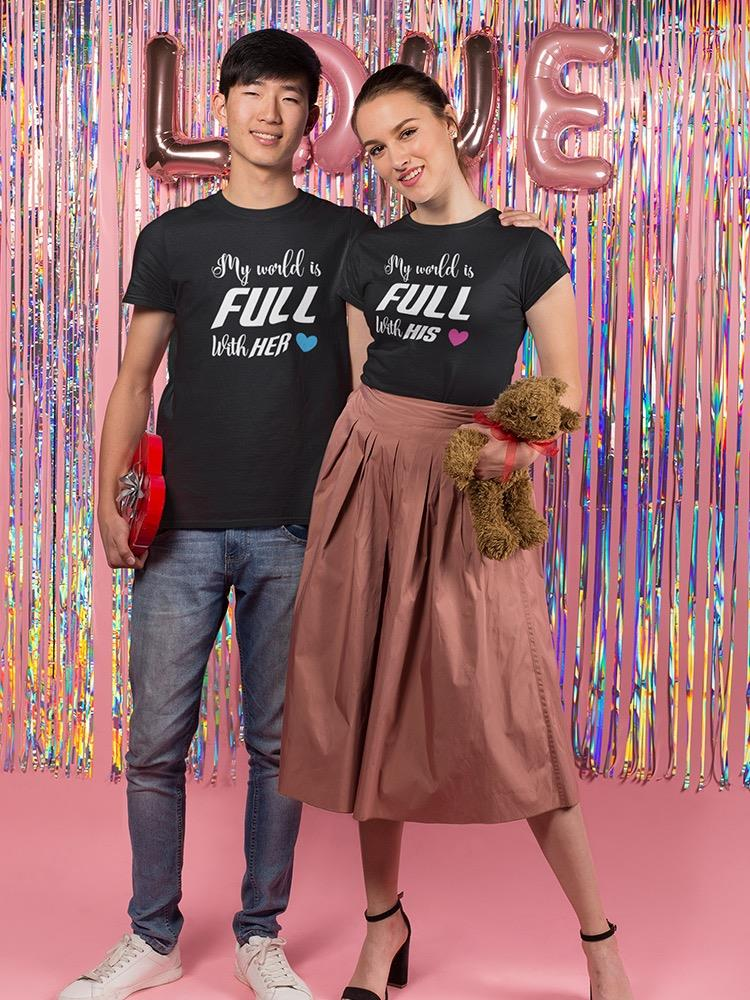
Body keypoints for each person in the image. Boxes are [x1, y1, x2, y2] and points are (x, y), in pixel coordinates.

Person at [59, 31, 545, 1000]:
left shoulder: (349, 239)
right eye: (253, 93)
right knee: (155, 743)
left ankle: (260, 932)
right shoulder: (173, 240)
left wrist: (505, 245)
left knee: (283, 746)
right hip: (179, 527)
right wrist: (109, 494)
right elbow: (134, 377)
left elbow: (407, 331)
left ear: (311, 122)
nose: (270, 113)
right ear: (223, 105)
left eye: (290, 98)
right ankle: (152, 934)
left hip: (303, 528)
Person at [278, 63, 635, 1000]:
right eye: (377, 146)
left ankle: (600, 943)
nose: (396, 156)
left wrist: (510, 449)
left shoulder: (526, 250)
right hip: (369, 480)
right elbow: (366, 377)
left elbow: (566, 390)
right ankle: (381, 928)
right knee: (370, 703)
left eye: (408, 131)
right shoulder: (369, 254)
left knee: (515, 711)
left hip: (470, 483)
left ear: (449, 122)